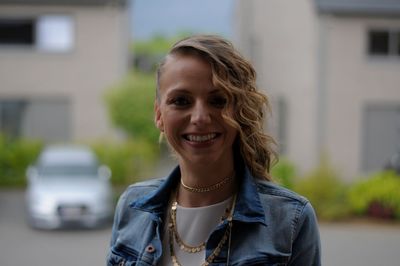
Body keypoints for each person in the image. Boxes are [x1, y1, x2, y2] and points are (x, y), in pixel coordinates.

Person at [107, 35, 321, 266]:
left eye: (218, 101)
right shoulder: (132, 206)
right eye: (181, 101)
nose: (200, 117)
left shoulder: (290, 219)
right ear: (159, 115)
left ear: (240, 111)